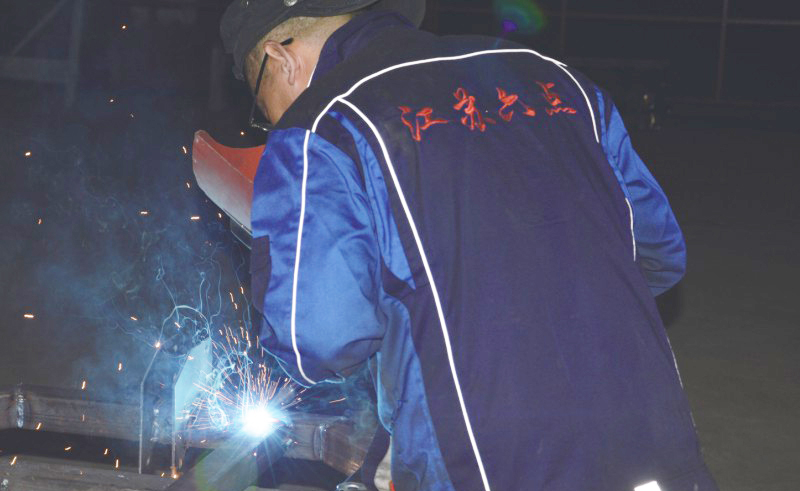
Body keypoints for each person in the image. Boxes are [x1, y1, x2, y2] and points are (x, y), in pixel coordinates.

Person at [220, 1, 718, 490]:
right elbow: (658, 251)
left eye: (262, 106)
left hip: (485, 458)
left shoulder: (321, 127)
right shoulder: (559, 81)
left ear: (279, 59)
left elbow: (317, 340)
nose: (272, 120)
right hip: (649, 433)